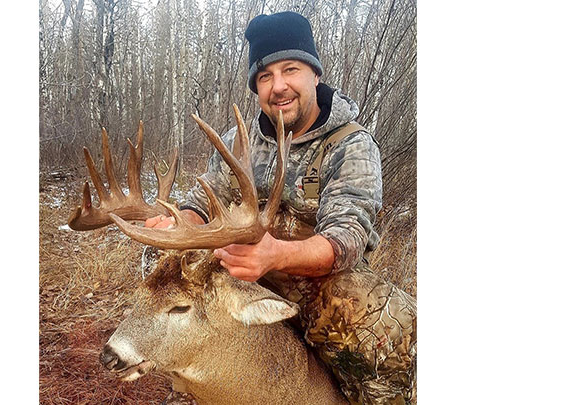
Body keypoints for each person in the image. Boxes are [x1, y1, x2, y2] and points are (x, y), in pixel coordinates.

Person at [147, 11, 416, 405]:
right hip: (245, 277)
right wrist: (180, 223)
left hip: (319, 287)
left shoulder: (350, 145)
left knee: (379, 316)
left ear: (314, 73)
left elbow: (348, 237)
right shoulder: (241, 143)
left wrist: (276, 255)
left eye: (290, 69)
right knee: (166, 264)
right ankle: (195, 380)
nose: (278, 86)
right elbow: (204, 203)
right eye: (264, 76)